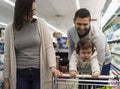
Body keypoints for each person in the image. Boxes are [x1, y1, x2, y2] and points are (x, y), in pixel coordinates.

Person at [3, 0, 62, 89]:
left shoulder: (41, 24)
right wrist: (6, 79)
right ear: (21, 11)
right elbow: (7, 56)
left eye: (34, 10)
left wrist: (52, 67)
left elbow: (49, 48)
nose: (33, 13)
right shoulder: (10, 29)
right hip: (20, 74)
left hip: (39, 73)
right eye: (31, 11)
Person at [67, 8, 112, 76]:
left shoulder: (98, 37)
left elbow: (99, 61)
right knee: (83, 82)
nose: (82, 28)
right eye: (79, 24)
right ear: (74, 21)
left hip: (103, 61)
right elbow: (71, 47)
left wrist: (95, 73)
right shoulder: (70, 31)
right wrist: (72, 66)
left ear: (90, 22)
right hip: (84, 59)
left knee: (98, 84)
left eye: (85, 24)